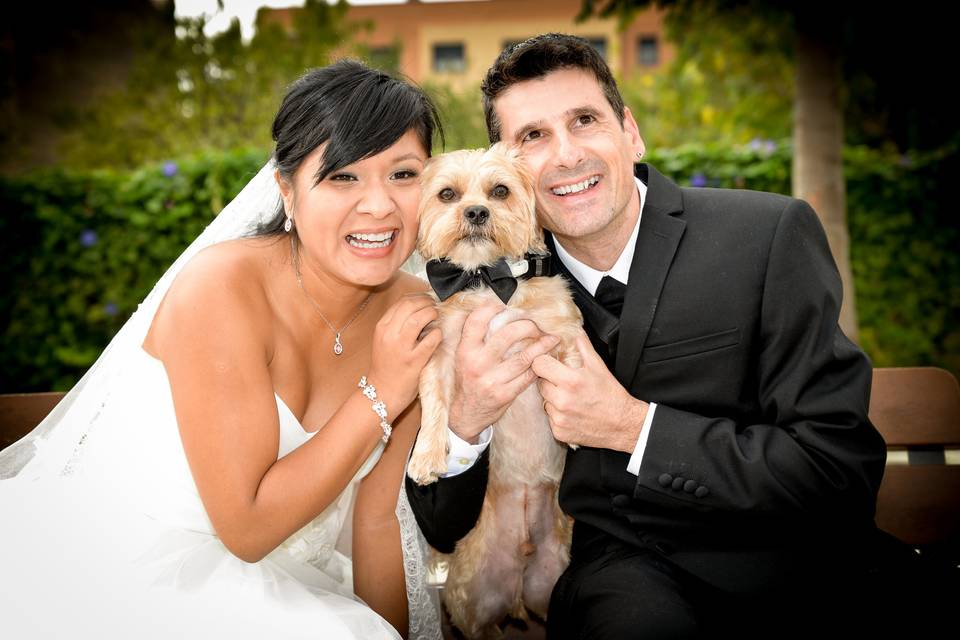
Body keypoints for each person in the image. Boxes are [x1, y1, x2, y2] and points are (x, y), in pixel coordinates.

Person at [405, 34, 894, 637]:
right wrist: (465, 420)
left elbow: (838, 470)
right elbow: (435, 523)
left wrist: (633, 428)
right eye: (532, 136)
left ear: (630, 132)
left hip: (802, 564)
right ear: (511, 167)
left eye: (584, 120)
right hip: (618, 576)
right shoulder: (484, 282)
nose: (564, 155)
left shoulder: (765, 236)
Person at [0, 60, 444, 640]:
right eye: (342, 177)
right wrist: (382, 391)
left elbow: (378, 516)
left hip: (292, 586)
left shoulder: (414, 310)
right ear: (287, 190)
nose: (380, 206)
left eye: (403, 175)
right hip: (132, 563)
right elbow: (248, 528)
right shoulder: (223, 287)